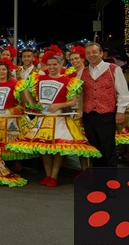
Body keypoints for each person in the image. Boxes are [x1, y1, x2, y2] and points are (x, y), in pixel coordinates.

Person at [10, 55, 101, 187]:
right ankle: (47, 175)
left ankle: (54, 176)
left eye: (55, 65)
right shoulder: (38, 78)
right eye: (50, 65)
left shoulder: (68, 81)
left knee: (57, 149)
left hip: (59, 119)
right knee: (45, 149)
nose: (52, 67)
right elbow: (24, 89)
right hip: (43, 118)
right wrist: (34, 104)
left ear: (61, 65)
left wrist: (58, 105)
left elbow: (73, 101)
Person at [78, 42, 129, 167]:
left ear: (101, 53)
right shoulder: (82, 72)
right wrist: (80, 114)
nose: (91, 55)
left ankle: (110, 180)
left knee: (108, 148)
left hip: (106, 114)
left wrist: (120, 111)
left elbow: (123, 92)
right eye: (88, 53)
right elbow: (80, 96)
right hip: (88, 115)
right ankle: (98, 179)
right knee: (94, 149)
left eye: (94, 52)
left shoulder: (113, 69)